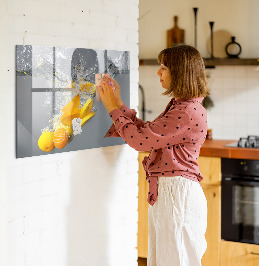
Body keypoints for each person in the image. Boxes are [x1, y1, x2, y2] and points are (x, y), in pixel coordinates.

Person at [97, 44, 209, 266]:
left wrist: (112, 108)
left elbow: (140, 141)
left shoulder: (186, 111)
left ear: (180, 72)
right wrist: (118, 103)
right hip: (172, 193)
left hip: (177, 195)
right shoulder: (182, 106)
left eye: (164, 67)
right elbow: (148, 133)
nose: (158, 72)